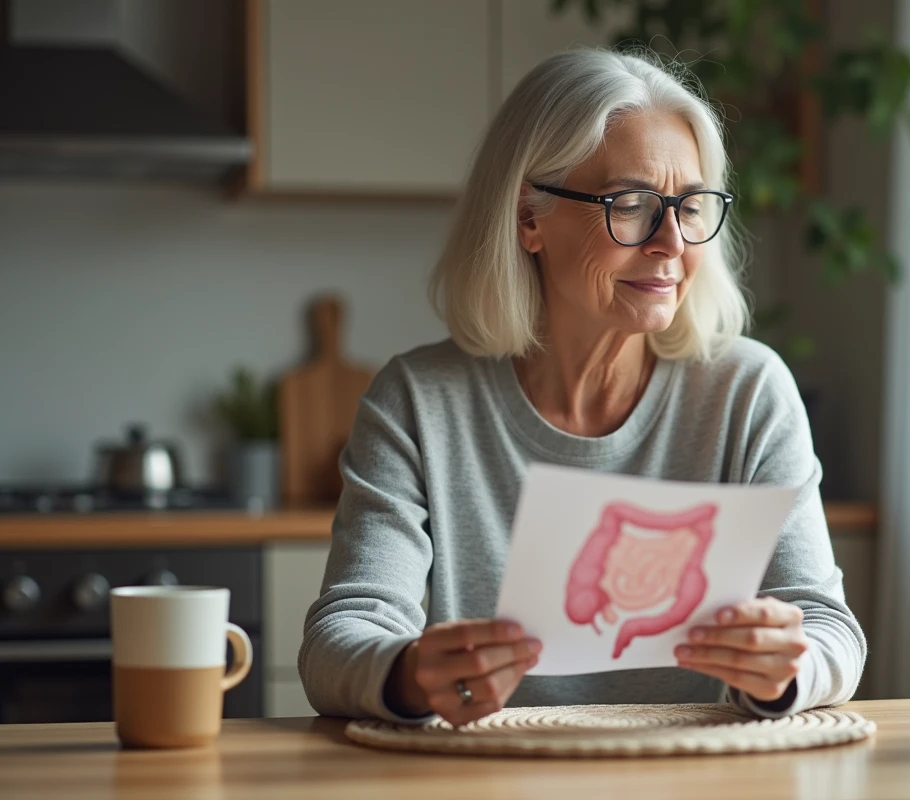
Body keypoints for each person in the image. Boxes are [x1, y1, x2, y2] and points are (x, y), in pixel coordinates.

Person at [299, 48, 866, 727]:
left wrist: (784, 667)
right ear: (528, 219)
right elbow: (341, 638)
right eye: (631, 205)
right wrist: (410, 673)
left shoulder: (746, 392)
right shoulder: (418, 401)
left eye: (690, 207)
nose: (671, 243)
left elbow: (830, 631)